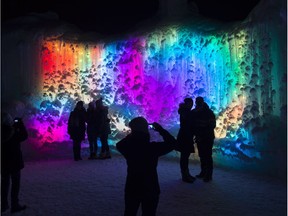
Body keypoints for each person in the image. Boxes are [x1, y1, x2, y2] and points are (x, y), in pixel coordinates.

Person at [116, 117, 177, 216]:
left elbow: (119, 144)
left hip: (132, 185)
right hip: (150, 186)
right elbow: (173, 143)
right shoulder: (152, 148)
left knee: (130, 212)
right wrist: (160, 130)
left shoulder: (128, 147)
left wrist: (133, 133)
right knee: (149, 213)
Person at [1, 112, 28, 213]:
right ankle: (14, 205)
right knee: (15, 184)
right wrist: (20, 124)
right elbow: (24, 136)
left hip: (3, 162)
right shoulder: (13, 132)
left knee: (4, 184)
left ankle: (3, 205)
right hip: (15, 161)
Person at [193, 97, 216, 182]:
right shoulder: (197, 112)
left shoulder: (209, 113)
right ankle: (203, 172)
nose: (197, 104)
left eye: (199, 102)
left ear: (202, 103)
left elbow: (212, 125)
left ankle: (208, 175)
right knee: (202, 155)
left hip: (207, 137)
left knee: (207, 156)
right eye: (197, 102)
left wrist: (201, 133)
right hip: (200, 137)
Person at [176, 97, 196, 183]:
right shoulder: (186, 112)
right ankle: (185, 175)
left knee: (185, 156)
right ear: (187, 104)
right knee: (184, 156)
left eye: (192, 103)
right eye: (190, 103)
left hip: (185, 135)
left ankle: (186, 174)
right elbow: (188, 124)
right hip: (185, 136)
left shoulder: (185, 111)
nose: (191, 105)